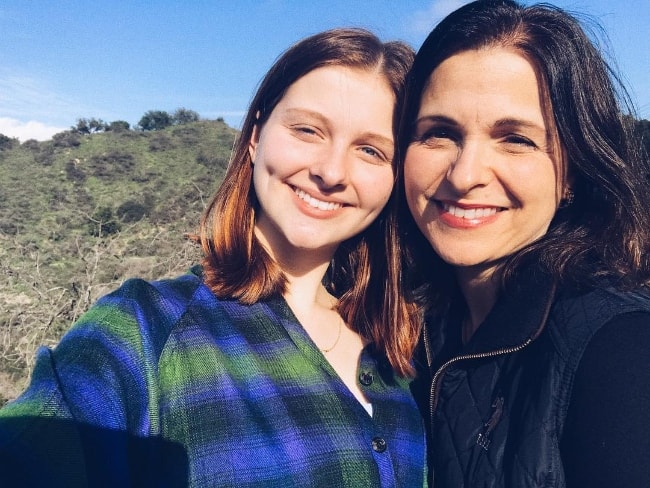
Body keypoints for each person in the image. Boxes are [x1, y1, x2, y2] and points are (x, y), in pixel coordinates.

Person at [0, 28, 426, 487]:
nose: (331, 171)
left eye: (370, 150)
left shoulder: (401, 348)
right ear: (256, 137)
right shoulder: (142, 332)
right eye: (307, 130)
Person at [399, 1, 650, 486]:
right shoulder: (406, 323)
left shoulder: (620, 349)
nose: (465, 174)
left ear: (573, 170)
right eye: (440, 134)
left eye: (516, 139)